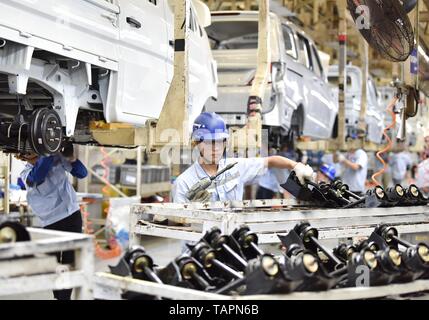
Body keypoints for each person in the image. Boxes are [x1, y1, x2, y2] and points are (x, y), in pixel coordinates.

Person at [172, 112, 315, 203]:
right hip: (202, 249)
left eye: (220, 142)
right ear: (197, 143)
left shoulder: (235, 167)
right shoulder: (184, 183)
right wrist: (195, 212)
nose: (216, 148)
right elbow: (177, 224)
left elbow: (270, 161)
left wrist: (296, 166)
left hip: (234, 244)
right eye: (209, 142)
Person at [16, 142, 87, 300]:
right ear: (23, 157)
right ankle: (58, 296)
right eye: (29, 154)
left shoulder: (57, 159)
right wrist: (48, 149)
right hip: (51, 222)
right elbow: (38, 174)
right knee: (53, 263)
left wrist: (72, 158)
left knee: (70, 261)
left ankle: (64, 298)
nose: (33, 156)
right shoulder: (26, 173)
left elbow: (82, 173)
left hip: (72, 215)